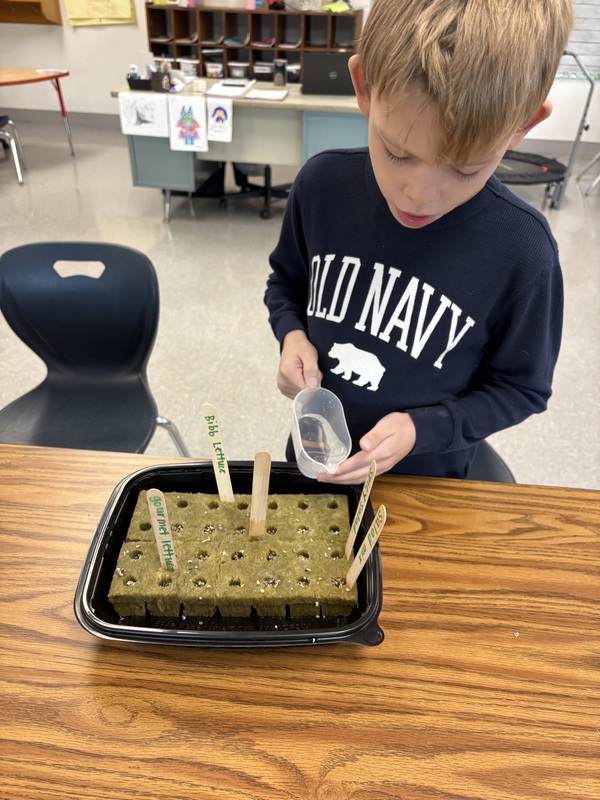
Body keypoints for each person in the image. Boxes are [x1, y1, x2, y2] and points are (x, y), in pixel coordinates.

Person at [264, 0, 573, 484]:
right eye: (397, 151)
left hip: (426, 481)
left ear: (524, 126)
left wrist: (424, 428)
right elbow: (286, 283)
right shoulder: (322, 185)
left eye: (465, 168)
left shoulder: (523, 252)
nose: (418, 195)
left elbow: (522, 389)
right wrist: (292, 333)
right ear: (365, 86)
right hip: (314, 457)